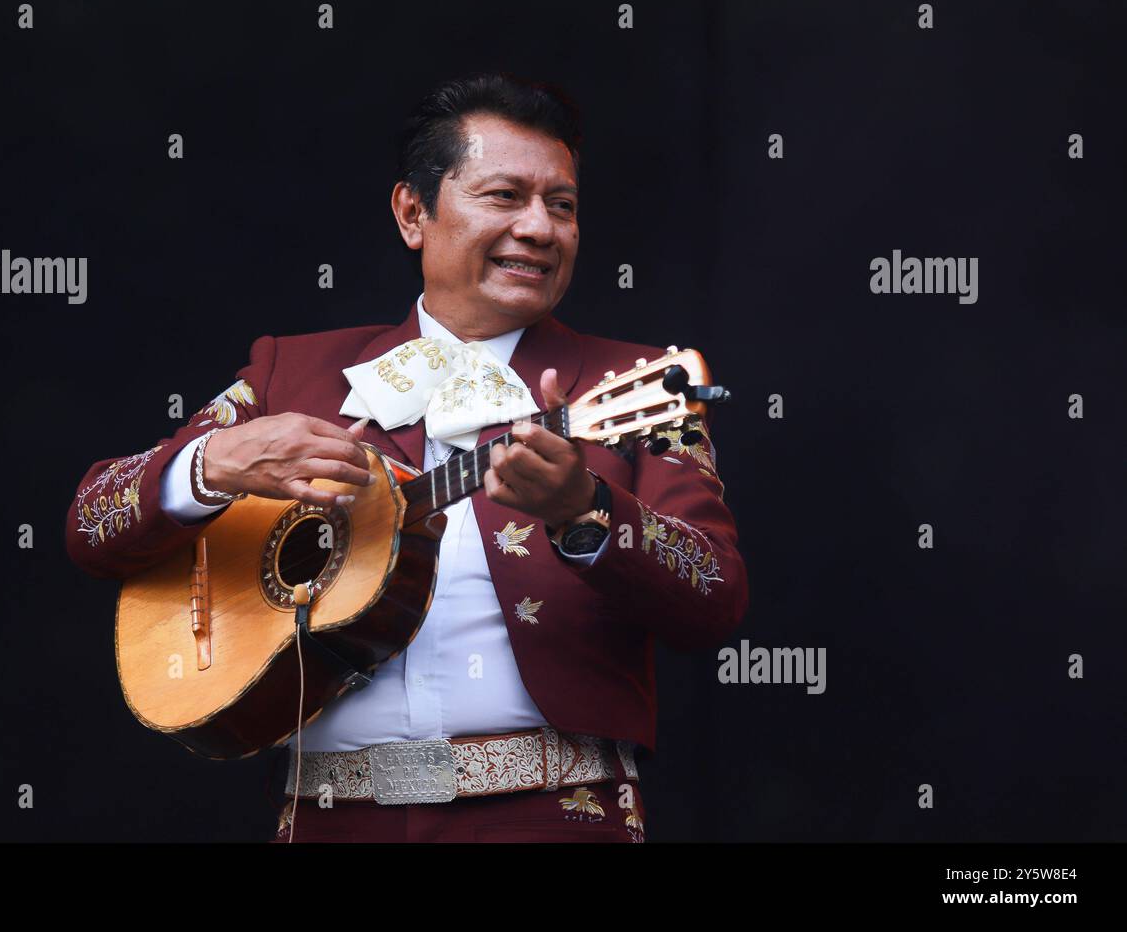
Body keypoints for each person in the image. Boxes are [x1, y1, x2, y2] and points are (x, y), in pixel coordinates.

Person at [64, 71, 748, 842]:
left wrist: (584, 511)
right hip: (331, 821)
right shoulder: (293, 373)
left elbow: (714, 596)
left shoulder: (636, 383)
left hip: (552, 817)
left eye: (562, 205)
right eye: (504, 196)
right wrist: (211, 463)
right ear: (412, 213)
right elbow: (94, 521)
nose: (540, 227)